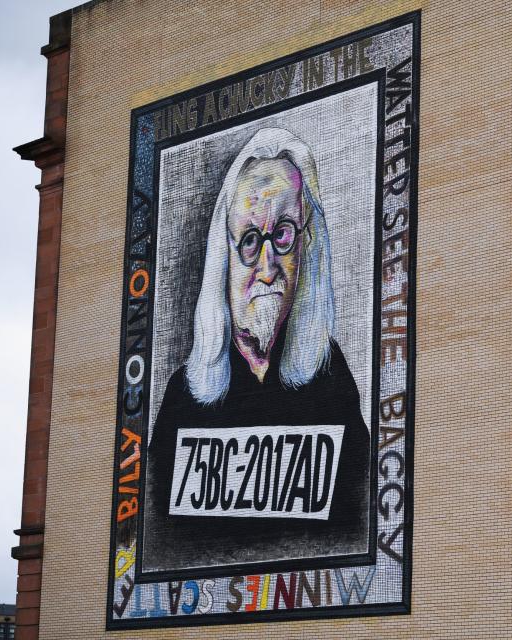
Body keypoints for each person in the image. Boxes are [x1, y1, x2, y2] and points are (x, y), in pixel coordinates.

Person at [143, 128, 370, 573]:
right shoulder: (185, 398)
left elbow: (357, 521)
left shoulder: (333, 382)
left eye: (282, 234)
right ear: (222, 256)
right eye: (249, 240)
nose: (267, 269)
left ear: (306, 246)